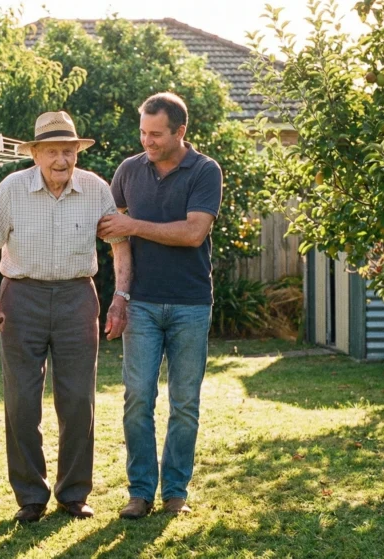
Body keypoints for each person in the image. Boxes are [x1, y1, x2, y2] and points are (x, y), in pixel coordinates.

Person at [0, 111, 132, 523]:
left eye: (69, 150)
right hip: (20, 297)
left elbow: (119, 245)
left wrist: (120, 298)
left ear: (76, 152)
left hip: (78, 297)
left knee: (78, 399)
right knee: (23, 401)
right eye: (52, 151)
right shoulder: (12, 189)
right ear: (36, 154)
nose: (62, 159)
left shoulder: (97, 189)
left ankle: (73, 493)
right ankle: (30, 496)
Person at [97, 92, 222, 518]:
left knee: (184, 402)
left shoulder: (205, 171)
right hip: (143, 305)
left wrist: (133, 225)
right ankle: (139, 492)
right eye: (143, 133)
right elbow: (115, 236)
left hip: (190, 304)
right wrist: (120, 295)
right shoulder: (129, 171)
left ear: (180, 132)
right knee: (137, 398)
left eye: (156, 134)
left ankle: (175, 492)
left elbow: (193, 233)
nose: (146, 141)